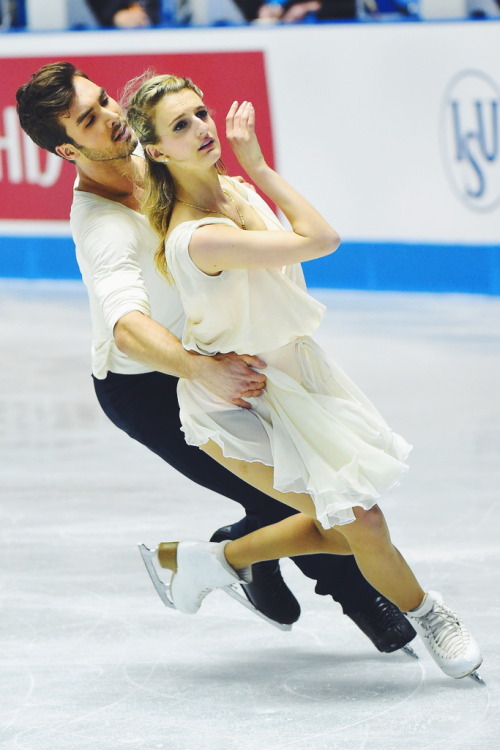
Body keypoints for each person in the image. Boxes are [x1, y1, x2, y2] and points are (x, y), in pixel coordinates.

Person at [16, 62, 418, 656]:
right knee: (281, 491)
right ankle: (356, 596)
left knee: (296, 481)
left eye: (103, 100)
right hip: (145, 386)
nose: (110, 117)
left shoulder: (154, 156)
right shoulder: (100, 226)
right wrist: (201, 368)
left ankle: (239, 557)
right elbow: (128, 327)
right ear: (68, 149)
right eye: (89, 120)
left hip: (214, 351)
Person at [123, 71, 483, 681]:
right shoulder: (201, 236)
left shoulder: (230, 195)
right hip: (237, 405)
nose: (203, 128)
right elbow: (322, 239)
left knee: (348, 528)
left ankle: (213, 559)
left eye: (201, 113)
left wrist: (247, 177)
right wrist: (260, 164)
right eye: (181, 126)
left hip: (293, 381)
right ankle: (429, 612)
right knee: (358, 525)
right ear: (157, 151)